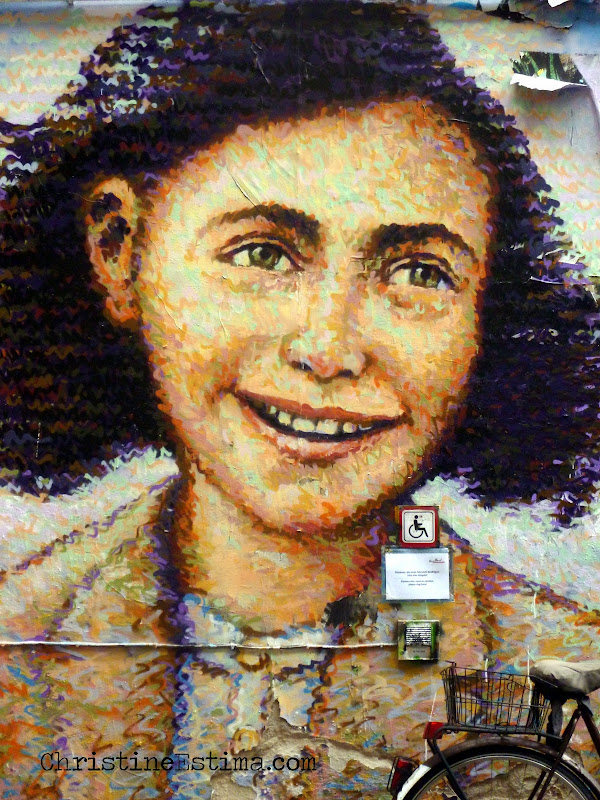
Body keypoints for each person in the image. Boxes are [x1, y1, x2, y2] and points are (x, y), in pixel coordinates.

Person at [0, 1, 599, 797]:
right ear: (120, 250)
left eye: (420, 272)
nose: (329, 348)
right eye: (263, 254)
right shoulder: (19, 638)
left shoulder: (564, 665)